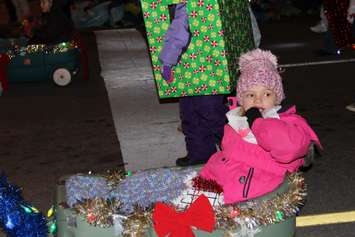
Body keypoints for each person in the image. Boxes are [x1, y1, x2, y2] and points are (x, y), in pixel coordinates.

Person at [198, 49, 322, 203]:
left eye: (267, 94)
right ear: (241, 100)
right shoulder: (235, 121)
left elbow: (288, 146)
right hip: (225, 196)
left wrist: (257, 122)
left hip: (258, 202)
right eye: (250, 95)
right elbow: (222, 160)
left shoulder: (289, 122)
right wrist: (200, 187)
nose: (258, 100)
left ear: (278, 98)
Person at [159, 3, 228, 167]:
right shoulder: (188, 5)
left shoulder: (193, 5)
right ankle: (200, 153)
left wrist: (167, 62)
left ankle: (234, 148)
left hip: (205, 69)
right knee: (193, 113)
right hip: (195, 68)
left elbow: (177, 33)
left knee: (208, 112)